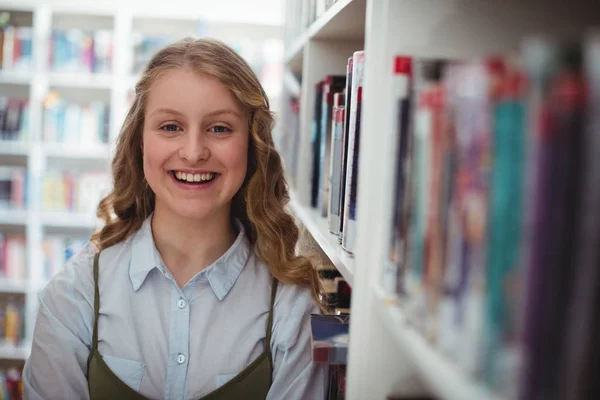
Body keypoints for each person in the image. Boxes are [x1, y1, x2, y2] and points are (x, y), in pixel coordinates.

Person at [23, 37, 328, 400]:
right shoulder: (74, 295)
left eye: (219, 128)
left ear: (252, 142)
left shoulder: (293, 307)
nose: (194, 152)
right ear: (141, 141)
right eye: (171, 127)